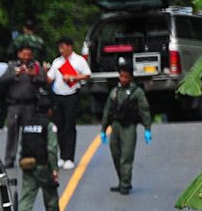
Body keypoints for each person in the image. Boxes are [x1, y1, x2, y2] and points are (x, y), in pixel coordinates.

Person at [17, 97, 66, 211]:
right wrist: (54, 169)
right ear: (49, 111)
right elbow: (52, 149)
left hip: (27, 164)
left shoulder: (27, 124)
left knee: (26, 197)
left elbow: (22, 144)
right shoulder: (48, 125)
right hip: (43, 166)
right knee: (51, 199)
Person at [101, 61, 152, 195]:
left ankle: (125, 183)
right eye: (121, 76)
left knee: (126, 156)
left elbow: (144, 110)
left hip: (128, 127)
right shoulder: (115, 92)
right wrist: (103, 129)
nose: (123, 79)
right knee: (115, 153)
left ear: (130, 77)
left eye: (125, 77)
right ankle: (121, 180)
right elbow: (107, 110)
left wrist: (147, 128)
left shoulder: (137, 92)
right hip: (116, 126)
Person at [47, 38, 92, 169]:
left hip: (71, 95)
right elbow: (49, 78)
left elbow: (87, 74)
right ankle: (62, 156)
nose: (61, 50)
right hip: (58, 96)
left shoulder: (79, 60)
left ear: (69, 47)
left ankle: (69, 157)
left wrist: (73, 77)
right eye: (59, 47)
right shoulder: (57, 62)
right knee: (59, 126)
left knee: (69, 127)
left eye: (63, 47)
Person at [1, 44, 46, 166]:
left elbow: (43, 81)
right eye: (23, 54)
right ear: (19, 54)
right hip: (14, 104)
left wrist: (33, 76)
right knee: (12, 131)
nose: (26, 57)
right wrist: (16, 74)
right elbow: (3, 80)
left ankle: (28, 157)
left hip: (30, 104)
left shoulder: (35, 66)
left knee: (29, 132)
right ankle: (9, 159)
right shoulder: (12, 66)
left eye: (28, 55)